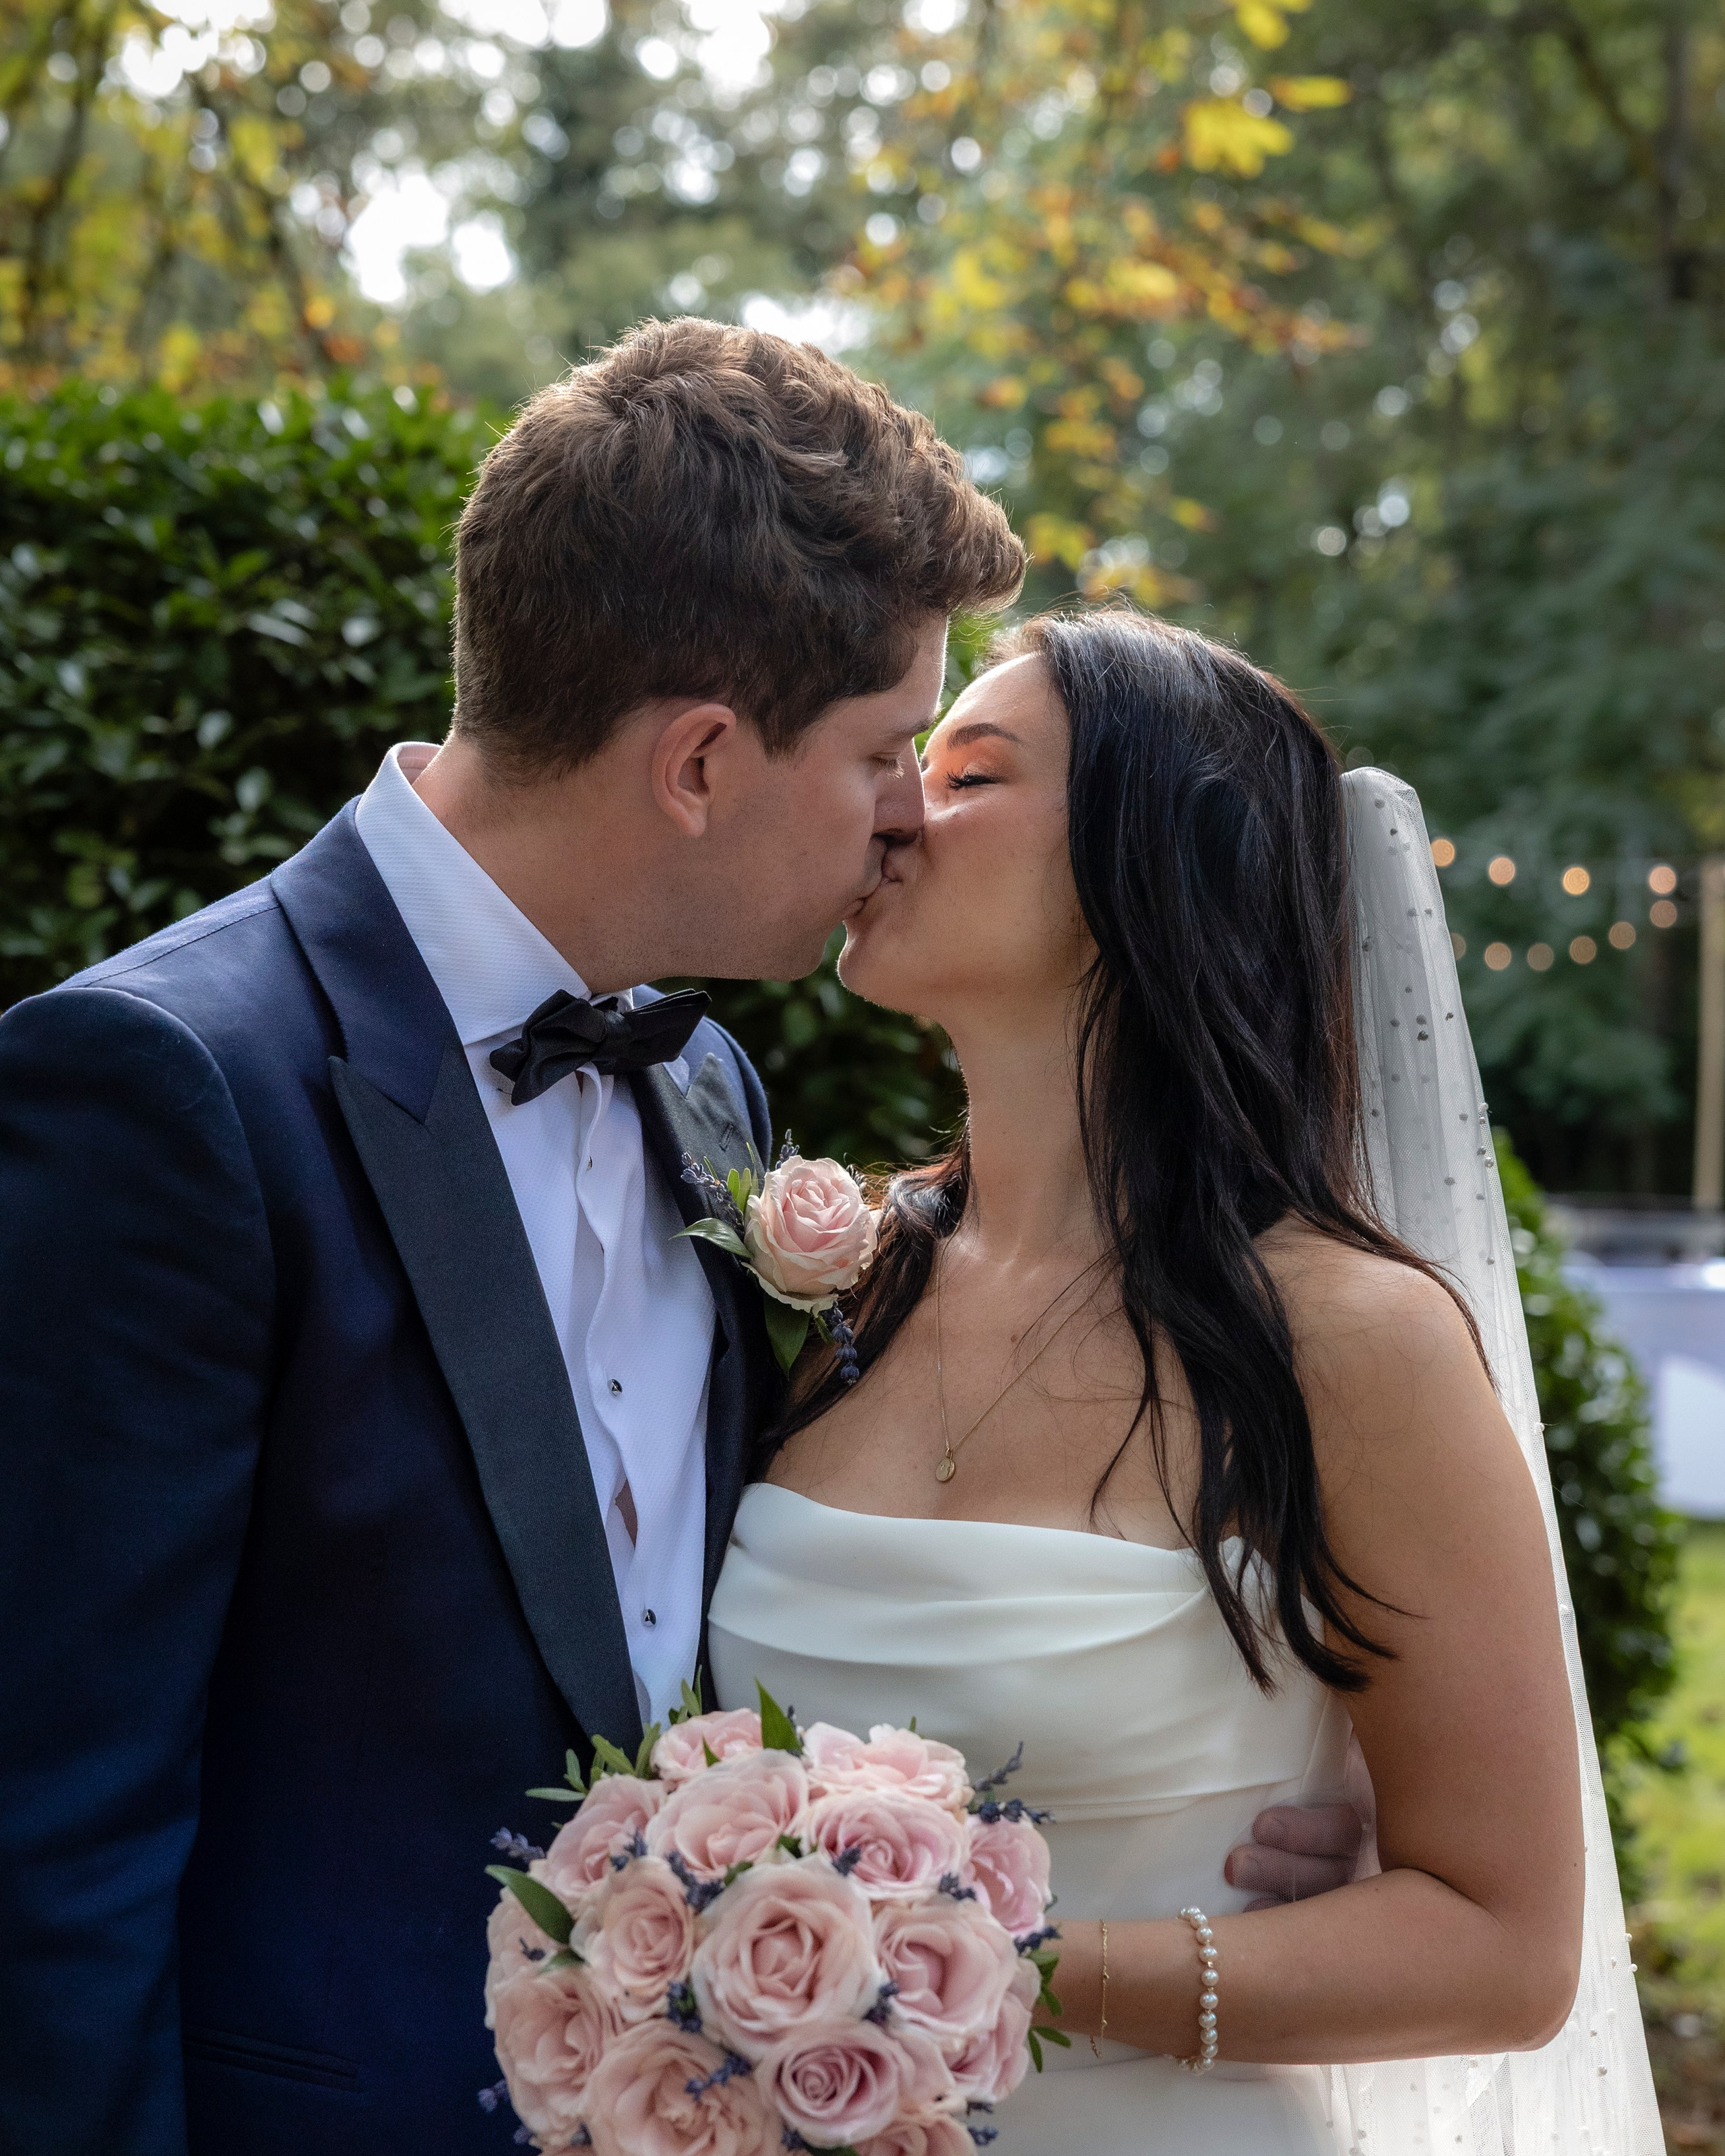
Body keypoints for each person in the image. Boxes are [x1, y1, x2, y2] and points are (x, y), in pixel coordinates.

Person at [0, 327, 1342, 2156]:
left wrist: (1244, 1796)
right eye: (888, 749)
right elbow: (47, 1831)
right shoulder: (164, 1090)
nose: (904, 816)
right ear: (703, 761)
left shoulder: (708, 1087)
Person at [708, 608, 1664, 2153]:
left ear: (1140, 871)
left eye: (968, 772)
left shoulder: (1350, 1342)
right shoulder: (839, 1285)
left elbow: (1503, 1943)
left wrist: (996, 1971)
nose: (891, 805)